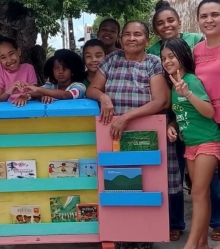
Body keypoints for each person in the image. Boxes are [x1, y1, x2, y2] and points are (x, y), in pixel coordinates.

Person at [86, 20, 170, 249]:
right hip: (113, 134)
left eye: (138, 34)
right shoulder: (112, 60)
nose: (132, 38)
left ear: (147, 40)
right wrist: (104, 98)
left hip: (145, 134)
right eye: (128, 34)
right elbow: (92, 88)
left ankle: (143, 238)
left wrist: (126, 117)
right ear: (121, 39)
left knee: (145, 186)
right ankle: (122, 235)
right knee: (119, 184)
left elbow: (161, 100)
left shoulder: (153, 63)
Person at [162, 38, 220, 249]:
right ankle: (202, 244)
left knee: (196, 193)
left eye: (171, 56)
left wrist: (187, 93)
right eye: (163, 58)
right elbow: (182, 115)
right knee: (200, 194)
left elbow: (208, 112)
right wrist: (172, 126)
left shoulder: (191, 81)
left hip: (208, 142)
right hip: (191, 145)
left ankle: (191, 245)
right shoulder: (173, 85)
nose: (167, 61)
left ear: (183, 56)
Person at [194, 0, 220, 242]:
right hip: (205, 123)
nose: (209, 20)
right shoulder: (197, 51)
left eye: (215, 15)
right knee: (203, 189)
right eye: (204, 16)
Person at [0, 37, 37, 107]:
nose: (9, 60)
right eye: (3, 57)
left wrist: (24, 96)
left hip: (27, 108)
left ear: (18, 51)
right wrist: (9, 92)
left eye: (11, 54)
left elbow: (37, 93)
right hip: (7, 110)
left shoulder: (28, 68)